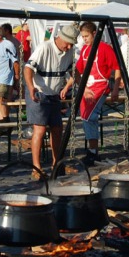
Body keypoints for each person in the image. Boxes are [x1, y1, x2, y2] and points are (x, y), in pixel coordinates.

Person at [24, 23, 78, 174]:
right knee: (40, 129)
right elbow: (28, 68)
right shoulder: (44, 48)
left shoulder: (69, 51)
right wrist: (30, 87)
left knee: (57, 129)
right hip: (39, 93)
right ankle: (36, 168)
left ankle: (57, 164)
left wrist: (79, 87)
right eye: (68, 44)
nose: (69, 48)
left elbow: (74, 72)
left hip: (53, 94)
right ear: (60, 38)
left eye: (71, 45)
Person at [73, 21, 120, 167]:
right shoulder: (85, 50)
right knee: (85, 117)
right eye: (83, 36)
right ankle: (92, 151)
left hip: (101, 85)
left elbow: (117, 68)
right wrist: (80, 86)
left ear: (95, 33)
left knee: (89, 116)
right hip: (87, 87)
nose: (85, 39)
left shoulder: (105, 48)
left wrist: (116, 88)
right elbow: (77, 70)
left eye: (86, 36)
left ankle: (92, 152)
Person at [0, 26, 19, 124]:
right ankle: (2, 120)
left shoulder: (8, 45)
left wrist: (17, 75)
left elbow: (15, 61)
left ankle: (5, 120)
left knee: (0, 99)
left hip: (5, 77)